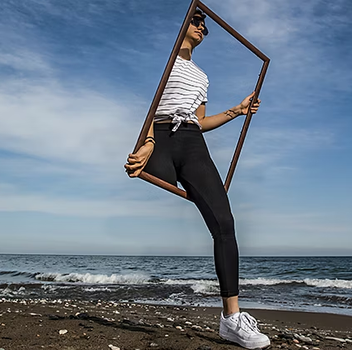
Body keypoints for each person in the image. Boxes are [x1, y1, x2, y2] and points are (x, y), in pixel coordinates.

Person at [124, 9, 270, 350]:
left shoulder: (201, 77)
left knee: (224, 221)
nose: (202, 27)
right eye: (197, 20)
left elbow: (200, 121)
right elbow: (152, 106)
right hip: (159, 134)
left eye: (205, 24)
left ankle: (231, 319)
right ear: (184, 23)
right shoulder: (166, 63)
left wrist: (237, 110)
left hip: (191, 142)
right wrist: (146, 144)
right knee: (135, 168)